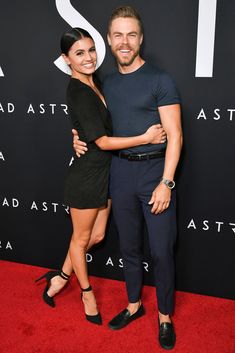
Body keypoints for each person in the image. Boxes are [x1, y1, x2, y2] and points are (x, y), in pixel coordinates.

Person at [36, 27, 166, 326]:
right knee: (81, 239)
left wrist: (77, 134)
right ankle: (86, 293)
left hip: (105, 172)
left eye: (91, 50)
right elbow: (104, 142)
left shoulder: (96, 82)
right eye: (79, 53)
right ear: (66, 59)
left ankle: (60, 277)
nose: (88, 57)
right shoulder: (80, 91)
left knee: (95, 236)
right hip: (87, 176)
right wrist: (145, 137)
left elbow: (93, 128)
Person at [73, 6, 182, 350]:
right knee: (129, 247)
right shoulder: (103, 81)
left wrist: (166, 182)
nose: (124, 41)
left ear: (140, 39)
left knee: (162, 251)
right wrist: (76, 138)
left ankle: (165, 316)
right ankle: (134, 305)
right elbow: (91, 121)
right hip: (119, 171)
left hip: (154, 172)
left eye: (131, 34)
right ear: (109, 39)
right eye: (118, 34)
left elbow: (175, 136)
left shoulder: (160, 80)